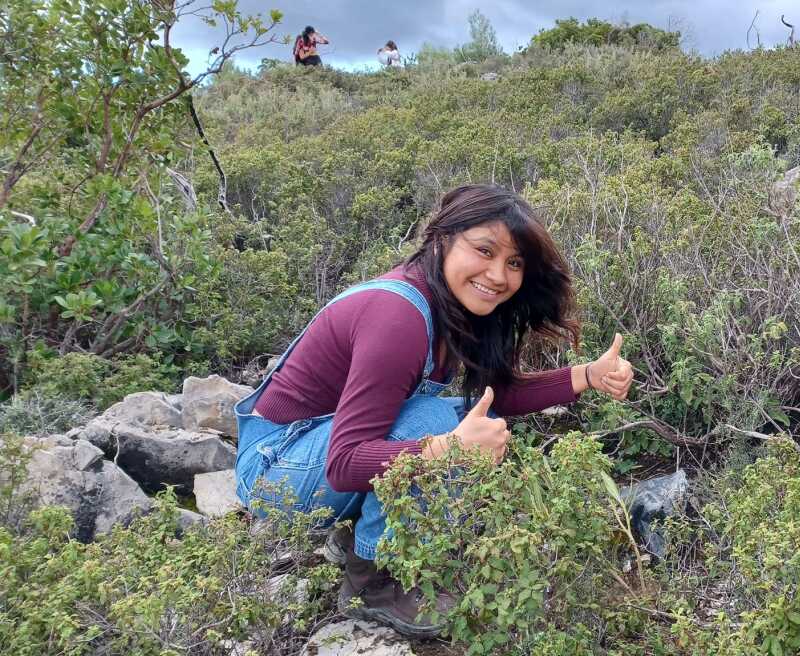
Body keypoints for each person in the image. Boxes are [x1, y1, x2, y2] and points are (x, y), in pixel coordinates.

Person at [234, 184, 633, 637]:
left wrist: (586, 375)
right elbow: (344, 464)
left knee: (456, 416)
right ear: (443, 237)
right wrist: (445, 448)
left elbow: (494, 396)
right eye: (484, 250)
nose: (499, 275)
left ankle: (361, 539)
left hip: (310, 457)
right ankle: (372, 581)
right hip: (274, 470)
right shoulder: (398, 315)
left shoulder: (455, 305)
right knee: (439, 422)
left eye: (514, 262)